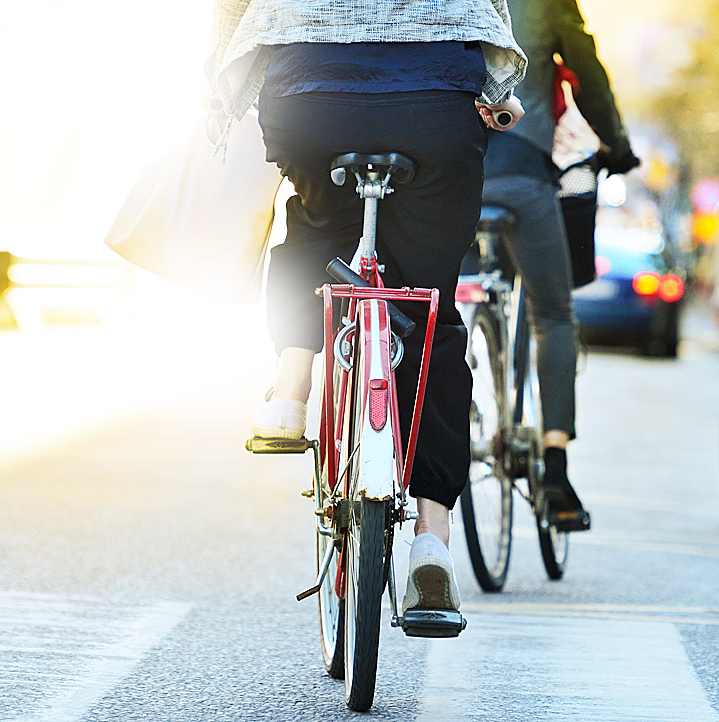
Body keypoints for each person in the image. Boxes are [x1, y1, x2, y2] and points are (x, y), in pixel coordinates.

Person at [209, 1, 527, 615]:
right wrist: (499, 88)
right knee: (431, 308)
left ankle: (291, 389)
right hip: (436, 101)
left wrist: (219, 82)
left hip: (308, 95)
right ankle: (432, 541)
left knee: (312, 227)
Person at [481, 0, 639, 530]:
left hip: (448, 172)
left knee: (439, 304)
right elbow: (586, 72)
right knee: (551, 315)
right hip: (524, 174)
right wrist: (616, 147)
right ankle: (556, 470)